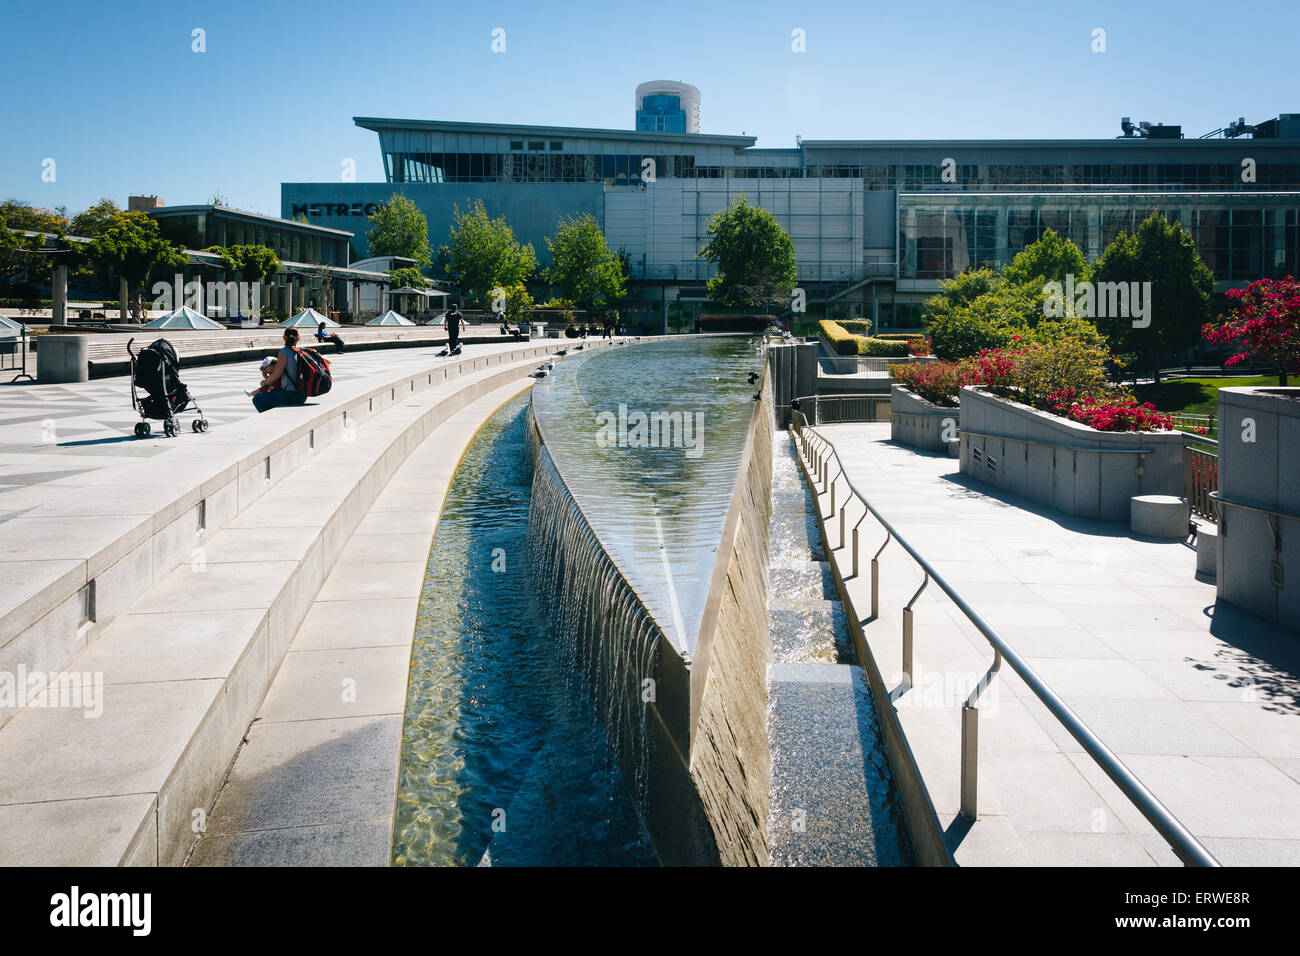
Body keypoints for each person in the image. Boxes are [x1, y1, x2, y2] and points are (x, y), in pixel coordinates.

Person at [252, 328, 309, 412]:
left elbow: (277, 374)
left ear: (284, 337)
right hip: (302, 395)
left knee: (257, 399)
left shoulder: (284, 351)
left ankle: (271, 420)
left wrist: (265, 383)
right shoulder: (301, 351)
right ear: (298, 337)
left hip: (290, 395)